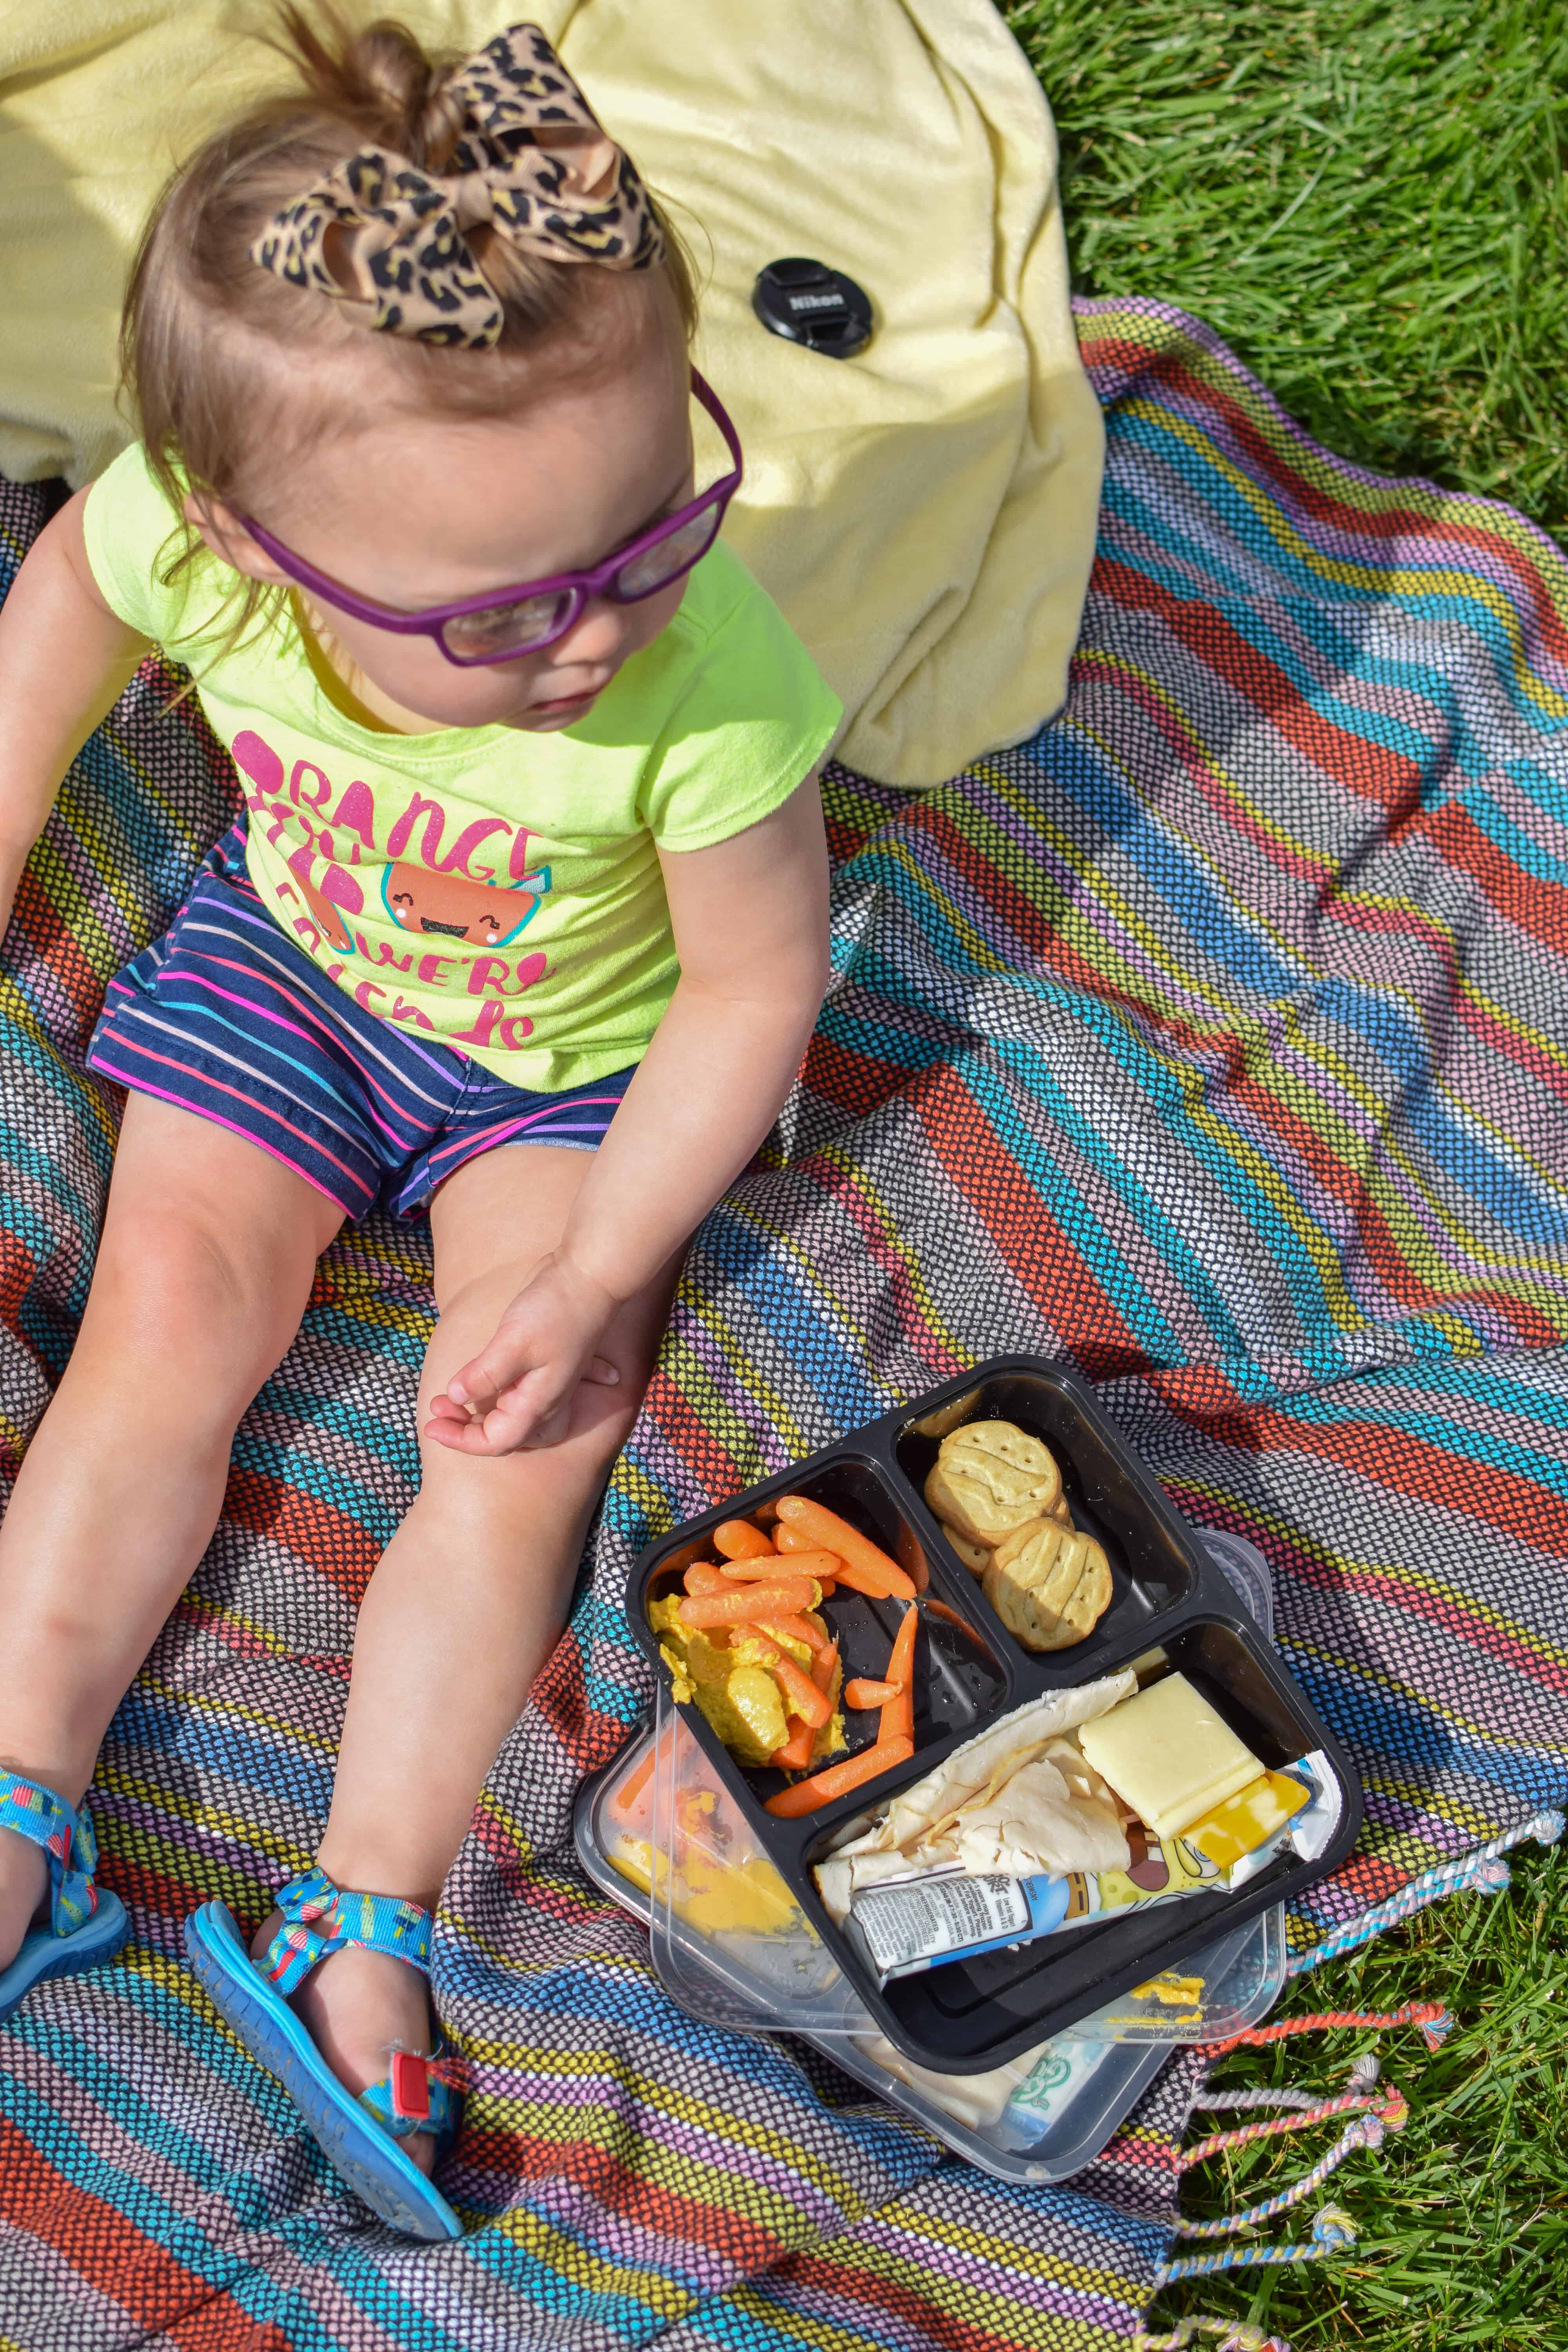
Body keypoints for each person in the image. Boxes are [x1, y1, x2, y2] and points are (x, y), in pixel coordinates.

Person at [0, 7, 837, 2236]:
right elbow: (59, 619)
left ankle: (357, 1907)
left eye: (659, 521)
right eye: (513, 610)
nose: (604, 630)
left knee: (523, 1435)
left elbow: (754, 986)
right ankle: (21, 1783)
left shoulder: (707, 677)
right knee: (161, 1318)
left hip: (564, 1074)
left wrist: (592, 1269)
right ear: (258, 552)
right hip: (296, 978)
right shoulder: (176, 534)